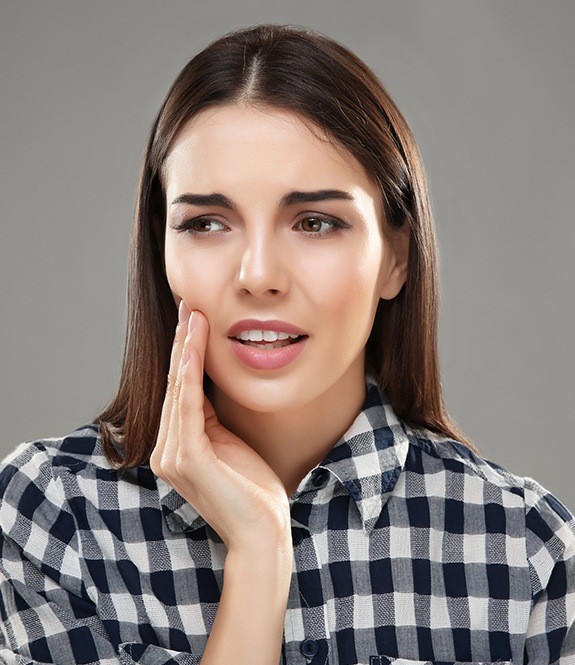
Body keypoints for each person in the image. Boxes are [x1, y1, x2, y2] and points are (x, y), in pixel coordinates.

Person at [0, 22, 573, 665]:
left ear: (397, 259)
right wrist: (257, 550)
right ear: (160, 251)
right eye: (207, 223)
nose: (259, 276)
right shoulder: (51, 519)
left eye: (316, 222)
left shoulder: (526, 550)